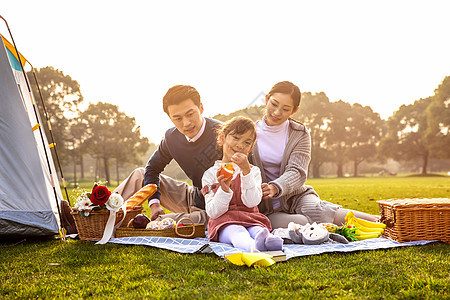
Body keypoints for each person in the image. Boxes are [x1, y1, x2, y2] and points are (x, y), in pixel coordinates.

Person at [249, 81, 379, 228]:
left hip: (296, 196)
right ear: (267, 99)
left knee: (321, 212)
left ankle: (380, 221)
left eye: (285, 109)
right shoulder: (248, 132)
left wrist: (275, 187)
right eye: (274, 104)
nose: (277, 112)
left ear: (294, 110)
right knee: (301, 224)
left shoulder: (299, 134)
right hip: (264, 207)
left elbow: (297, 172)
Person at [114, 85, 221, 223]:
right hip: (193, 196)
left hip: (218, 210)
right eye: (178, 118)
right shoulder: (172, 138)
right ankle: (97, 214)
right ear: (170, 118)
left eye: (190, 114)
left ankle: (155, 223)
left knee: (163, 223)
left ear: (200, 108)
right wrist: (154, 204)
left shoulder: (224, 134)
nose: (186, 123)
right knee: (139, 174)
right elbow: (152, 169)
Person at [202, 116, 283, 252]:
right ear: (222, 138)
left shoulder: (253, 171)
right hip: (224, 223)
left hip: (251, 219)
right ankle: (252, 247)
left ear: (250, 149)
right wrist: (224, 189)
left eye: (247, 142)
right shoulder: (210, 175)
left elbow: (252, 202)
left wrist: (246, 172)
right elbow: (213, 212)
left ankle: (269, 242)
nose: (240, 145)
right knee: (237, 231)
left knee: (258, 230)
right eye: (235, 138)